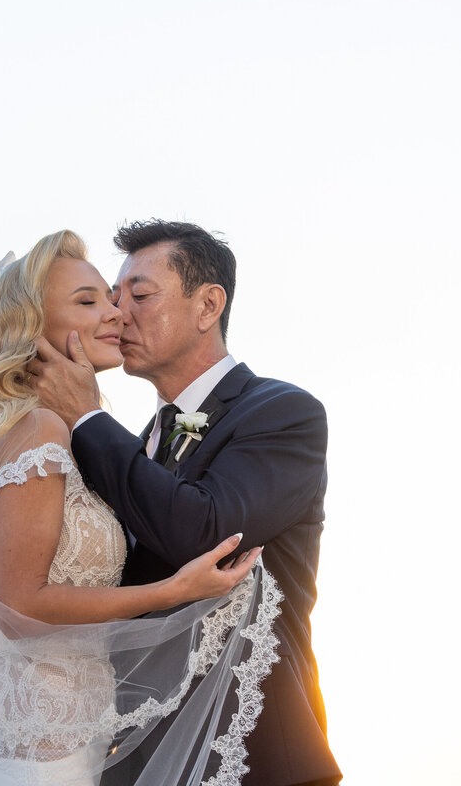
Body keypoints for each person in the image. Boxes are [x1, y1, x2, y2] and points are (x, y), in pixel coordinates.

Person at [0, 230, 282, 786]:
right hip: (38, 760)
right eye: (90, 300)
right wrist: (173, 592)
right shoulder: (36, 430)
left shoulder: (68, 436)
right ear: (33, 327)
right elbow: (18, 605)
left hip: (77, 747)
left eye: (120, 296)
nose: (115, 313)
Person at [29, 220, 342, 786]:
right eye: (115, 299)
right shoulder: (129, 441)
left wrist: (88, 418)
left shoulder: (282, 414)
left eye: (140, 296)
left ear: (207, 306)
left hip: (253, 757)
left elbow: (204, 533)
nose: (120, 314)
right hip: (138, 755)